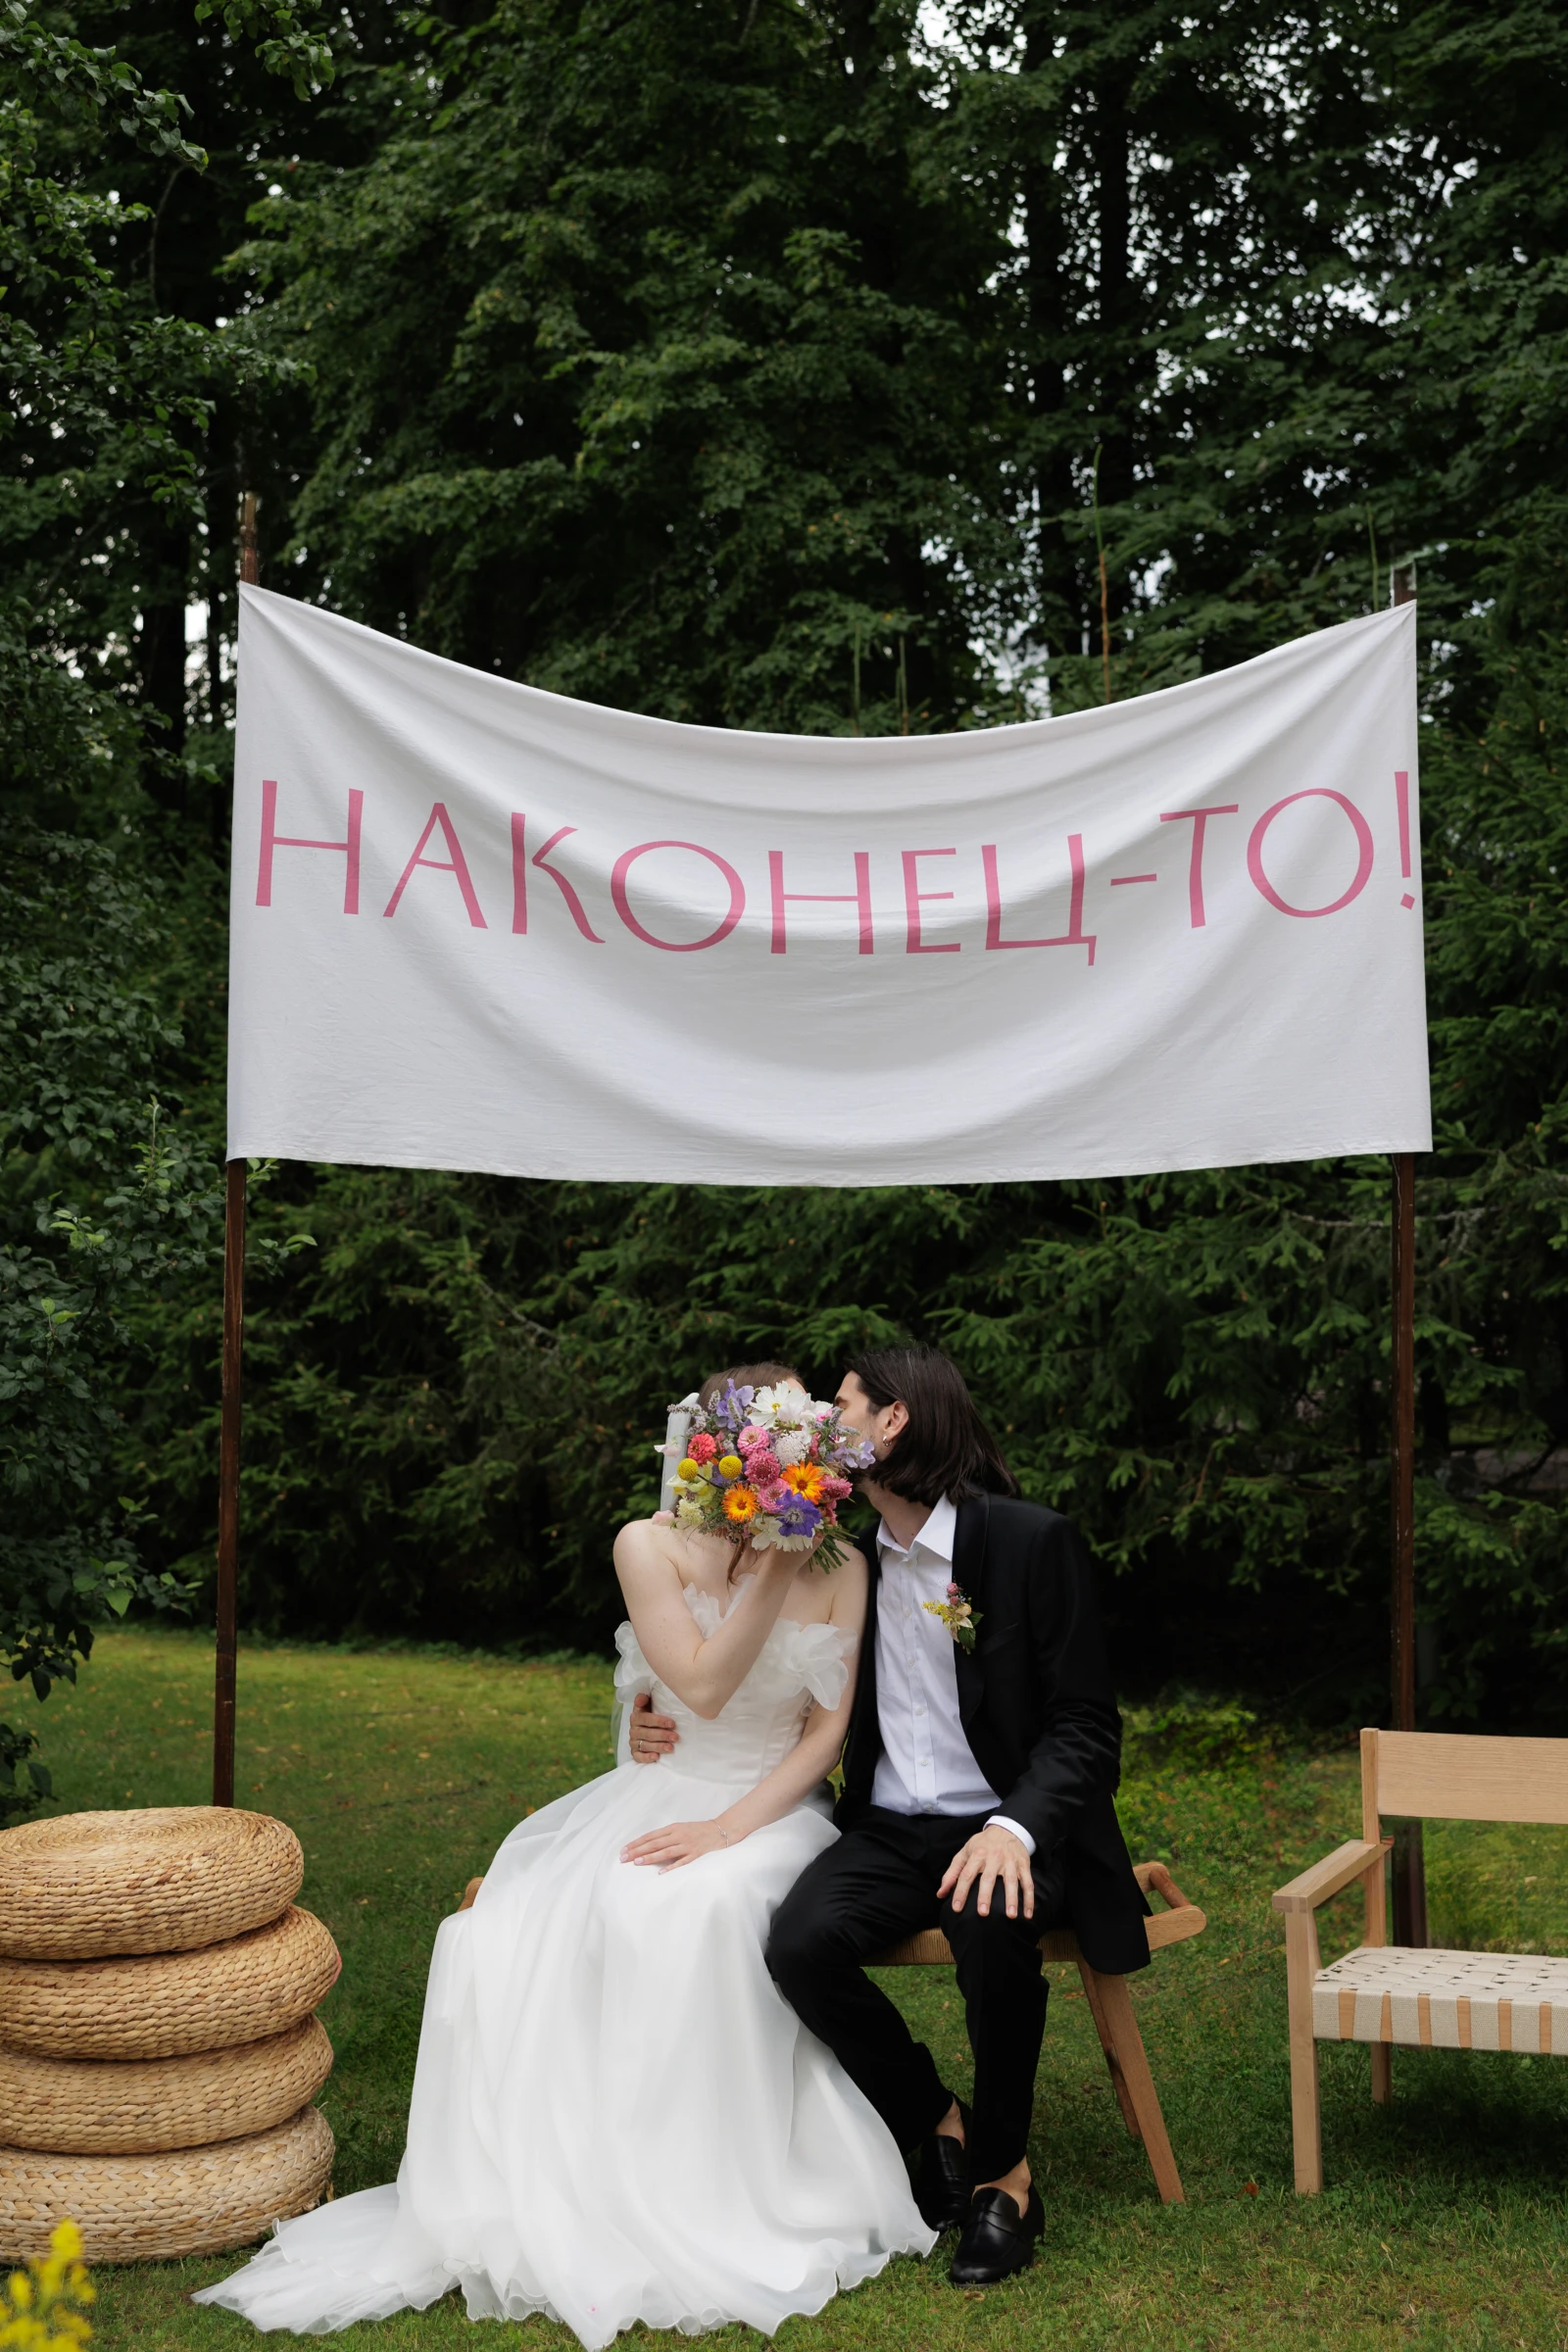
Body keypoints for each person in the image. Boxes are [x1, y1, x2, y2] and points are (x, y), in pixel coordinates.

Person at [194, 1362, 934, 2347]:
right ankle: (578, 2173)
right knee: (500, 1934)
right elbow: (700, 1691)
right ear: (727, 1457)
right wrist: (768, 1568)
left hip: (773, 1806)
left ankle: (704, 2176)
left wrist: (729, 1828)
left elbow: (824, 1734)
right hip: (663, 1787)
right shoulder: (647, 1544)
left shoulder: (843, 1567)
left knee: (692, 1907)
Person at [627, 1344, 1148, 2286]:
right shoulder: (849, 1556)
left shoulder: (1029, 1542)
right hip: (889, 1830)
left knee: (990, 1920)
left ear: (893, 1420)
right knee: (799, 1944)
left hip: (1009, 1825)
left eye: (842, 1406)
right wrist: (650, 1711)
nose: (822, 1425)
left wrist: (1013, 1829)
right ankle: (932, 2117)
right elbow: (769, 1672)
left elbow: (1085, 1726)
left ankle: (1004, 2180)